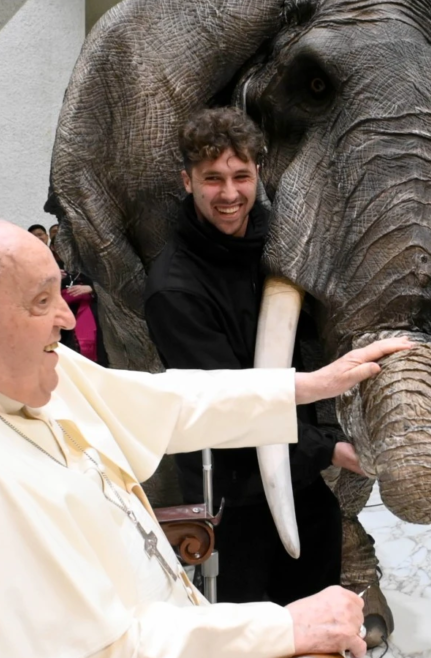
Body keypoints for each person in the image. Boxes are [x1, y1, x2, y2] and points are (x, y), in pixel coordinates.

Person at [0, 216, 408, 658]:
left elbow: (165, 402)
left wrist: (307, 386)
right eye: (42, 301)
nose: (67, 316)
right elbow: (97, 649)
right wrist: (285, 624)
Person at [144, 109, 356, 608]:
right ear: (187, 180)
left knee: (319, 614)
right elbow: (230, 404)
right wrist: (329, 449)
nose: (230, 194)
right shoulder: (173, 288)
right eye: (212, 179)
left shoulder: (281, 246)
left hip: (297, 480)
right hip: (230, 496)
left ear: (258, 173)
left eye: (241, 176)